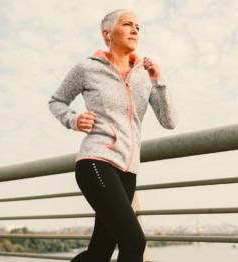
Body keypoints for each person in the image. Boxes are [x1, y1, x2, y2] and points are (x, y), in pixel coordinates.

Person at [48, 9, 177, 262]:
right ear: (107, 33)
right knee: (134, 241)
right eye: (127, 24)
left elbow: (169, 121)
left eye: (138, 27)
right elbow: (56, 101)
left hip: (128, 171)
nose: (135, 30)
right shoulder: (87, 68)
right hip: (96, 161)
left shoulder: (144, 74)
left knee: (100, 252)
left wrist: (158, 79)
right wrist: (73, 119)